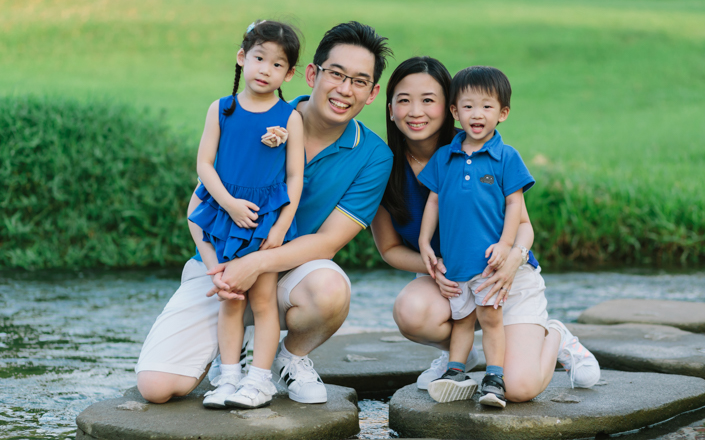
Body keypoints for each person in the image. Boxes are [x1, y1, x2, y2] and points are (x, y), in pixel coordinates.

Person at [135, 21, 394, 406]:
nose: (344, 89)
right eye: (336, 74)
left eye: (359, 81)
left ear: (372, 93)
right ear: (311, 74)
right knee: (156, 386)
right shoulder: (254, 113)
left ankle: (291, 358)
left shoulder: (373, 155)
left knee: (330, 289)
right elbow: (199, 204)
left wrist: (256, 263)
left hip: (288, 276)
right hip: (219, 267)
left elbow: (327, 241)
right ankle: (230, 359)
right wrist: (220, 268)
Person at [370, 56, 600, 406]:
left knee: (520, 389)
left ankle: (554, 334)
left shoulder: (484, 151)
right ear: (390, 109)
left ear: (447, 109)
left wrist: (512, 259)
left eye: (428, 100)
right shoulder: (383, 170)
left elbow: (522, 224)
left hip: (501, 273)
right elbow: (388, 249)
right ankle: (460, 360)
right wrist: (433, 266)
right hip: (453, 277)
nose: (415, 111)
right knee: (412, 310)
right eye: (404, 100)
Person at [186, 20, 305, 409]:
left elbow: (294, 178)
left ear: (288, 73)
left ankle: (259, 380)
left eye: (276, 65)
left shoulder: (290, 118)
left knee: (263, 300)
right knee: (231, 300)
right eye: (258, 59)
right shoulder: (222, 108)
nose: (265, 70)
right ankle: (229, 378)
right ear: (242, 58)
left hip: (265, 220)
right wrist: (229, 204)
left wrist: (281, 230)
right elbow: (205, 164)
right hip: (226, 212)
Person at [417, 66, 533, 408]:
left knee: (490, 317)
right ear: (455, 111)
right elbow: (433, 201)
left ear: (503, 113)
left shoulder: (506, 157)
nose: (476, 114)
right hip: (456, 261)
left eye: (486, 106)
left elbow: (515, 204)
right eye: (467, 107)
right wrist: (425, 241)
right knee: (461, 319)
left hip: (488, 262)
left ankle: (494, 377)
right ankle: (455, 370)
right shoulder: (444, 157)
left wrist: (506, 244)